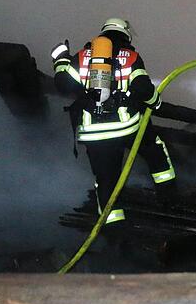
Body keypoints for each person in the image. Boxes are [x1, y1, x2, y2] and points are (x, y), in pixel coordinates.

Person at [51, 17, 175, 225]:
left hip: (95, 133)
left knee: (105, 180)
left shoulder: (82, 57)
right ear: (125, 33)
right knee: (155, 151)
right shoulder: (130, 56)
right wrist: (157, 104)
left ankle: (114, 228)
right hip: (128, 127)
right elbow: (143, 88)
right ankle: (169, 197)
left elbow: (63, 85)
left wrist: (61, 60)